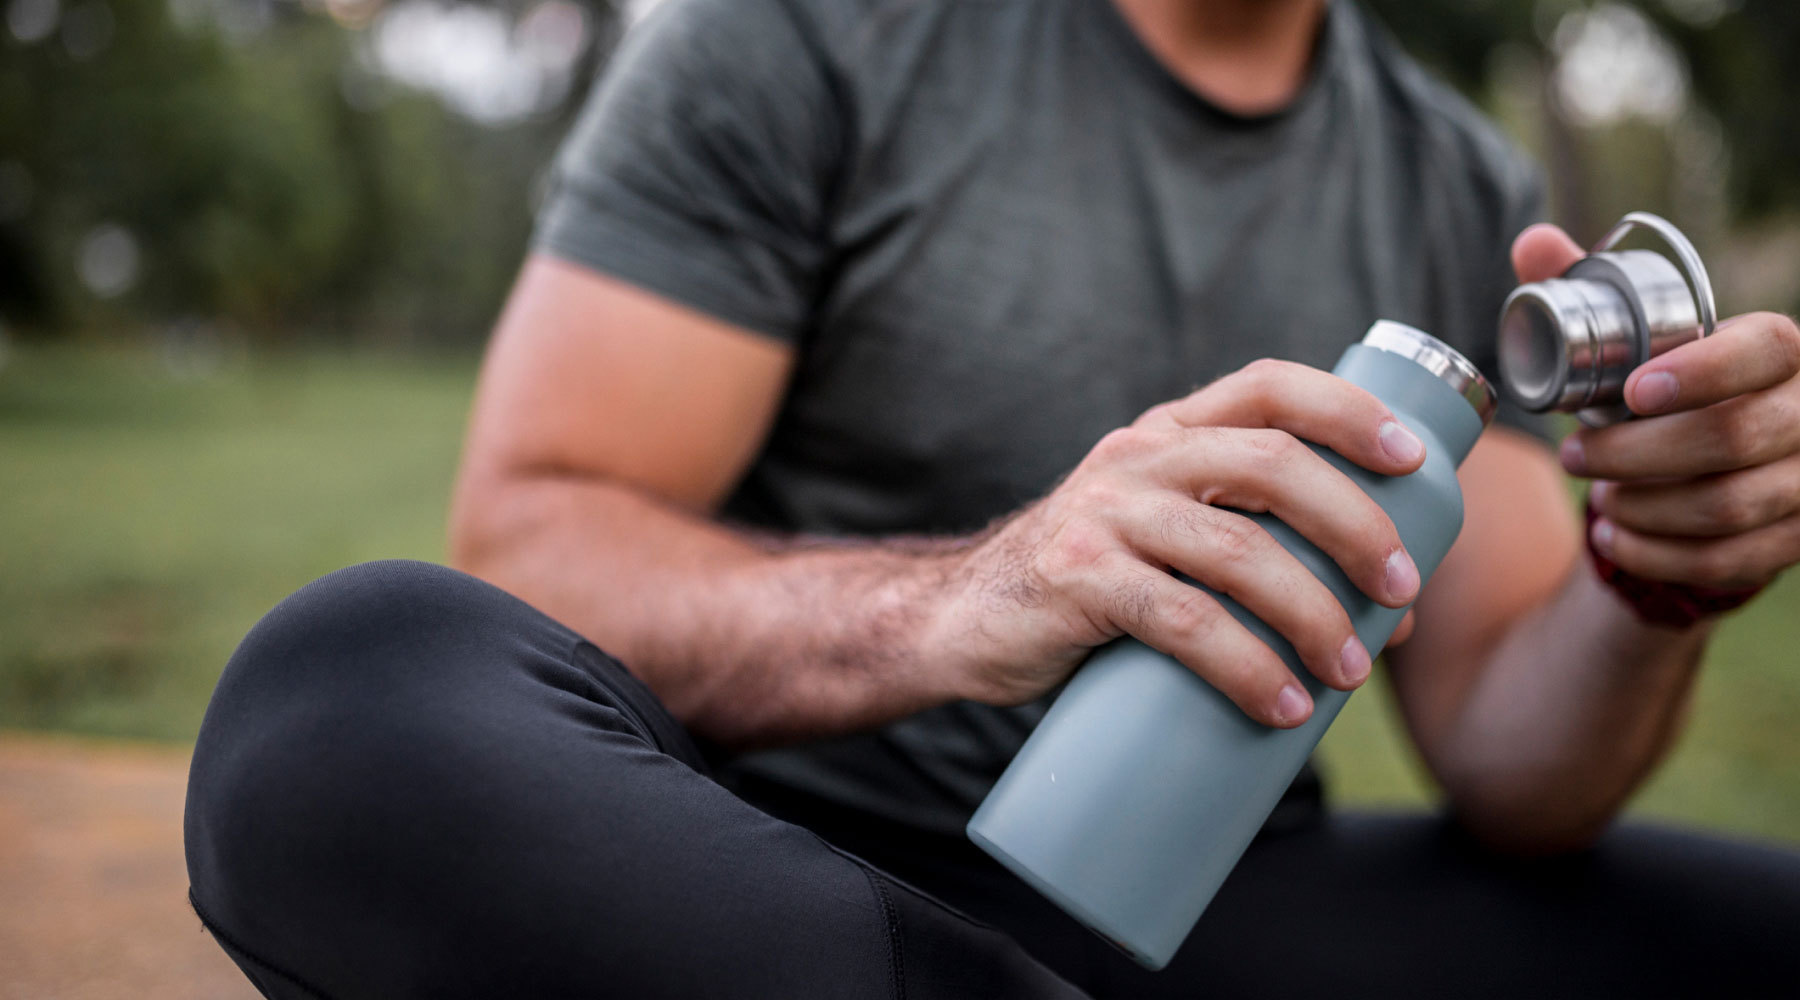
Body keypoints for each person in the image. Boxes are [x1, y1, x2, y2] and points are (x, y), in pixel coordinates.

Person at [185, 0, 1800, 996]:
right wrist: (964, 599)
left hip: (1209, 909)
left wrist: (1650, 580)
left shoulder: (1449, 172)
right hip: (761, 890)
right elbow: (535, 544)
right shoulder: (808, 38)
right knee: (341, 693)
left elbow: (1521, 774)